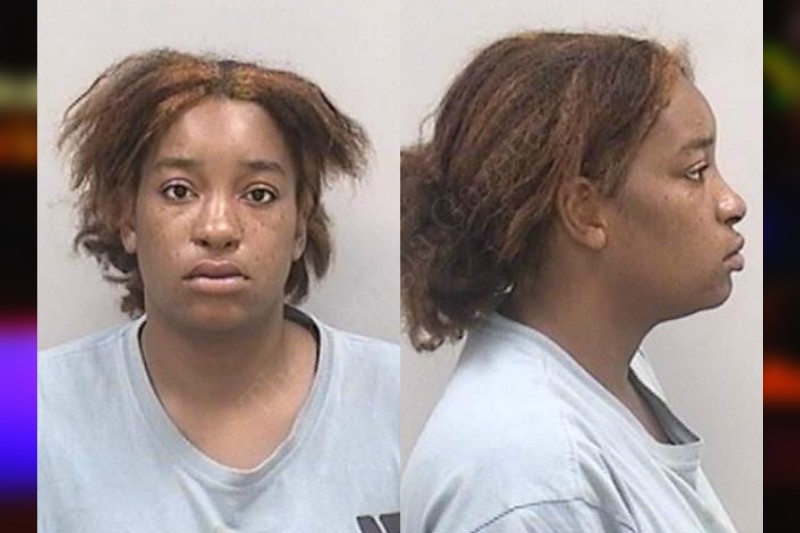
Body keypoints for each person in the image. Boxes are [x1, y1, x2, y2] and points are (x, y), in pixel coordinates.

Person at [38, 49, 399, 532]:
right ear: (127, 216)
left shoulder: (393, 399)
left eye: (259, 194)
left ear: (300, 224)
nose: (218, 229)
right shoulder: (28, 412)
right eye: (179, 191)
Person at [401, 32, 745, 532]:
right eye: (695, 172)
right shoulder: (534, 478)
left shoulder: (609, 375)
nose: (732, 203)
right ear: (584, 211)